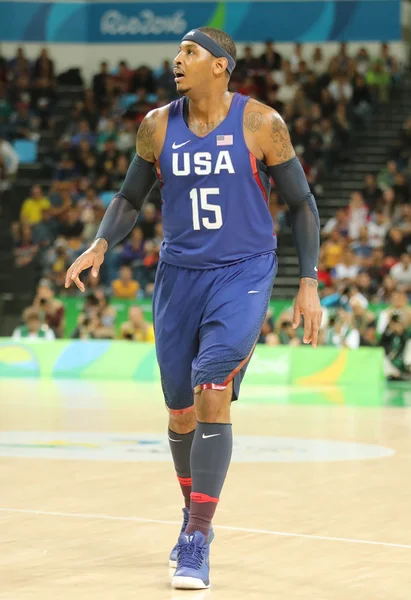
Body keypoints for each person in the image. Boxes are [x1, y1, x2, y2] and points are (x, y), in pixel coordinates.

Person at [64, 27, 322, 590]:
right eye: (178, 52)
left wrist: (308, 279)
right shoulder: (156, 126)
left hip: (245, 271)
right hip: (178, 277)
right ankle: (193, 512)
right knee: (180, 412)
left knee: (212, 390)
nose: (177, 60)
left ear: (221, 66)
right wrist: (100, 242)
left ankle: (197, 537)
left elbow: (302, 204)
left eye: (190, 52)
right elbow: (130, 198)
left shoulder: (261, 124)